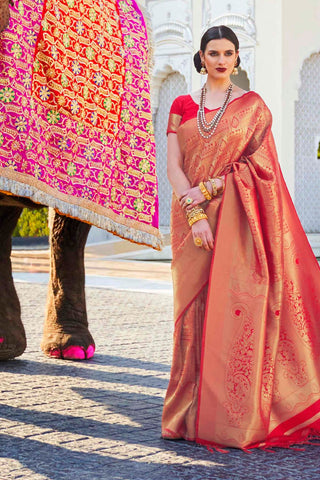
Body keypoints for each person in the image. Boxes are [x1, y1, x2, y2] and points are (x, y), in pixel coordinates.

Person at [161, 25, 320, 450]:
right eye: (213, 52)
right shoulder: (180, 105)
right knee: (191, 317)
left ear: (236, 57)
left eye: (228, 52)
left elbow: (262, 168)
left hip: (238, 219)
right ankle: (184, 415)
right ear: (201, 56)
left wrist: (211, 190)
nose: (220, 59)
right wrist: (195, 212)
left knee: (235, 311)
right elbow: (173, 166)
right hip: (191, 219)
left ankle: (232, 416)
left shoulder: (251, 106)